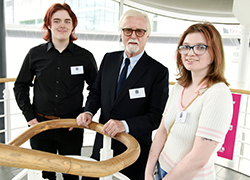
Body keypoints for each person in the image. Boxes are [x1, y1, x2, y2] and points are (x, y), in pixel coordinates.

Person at [77, 9, 169, 180]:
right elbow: (96, 91)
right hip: (102, 142)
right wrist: (88, 111)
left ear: (147, 36)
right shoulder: (108, 59)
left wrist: (124, 125)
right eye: (128, 30)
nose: (133, 35)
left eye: (139, 31)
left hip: (134, 150)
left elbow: (155, 117)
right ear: (121, 34)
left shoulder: (158, 72)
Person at [13, 3, 98, 180]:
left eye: (67, 21)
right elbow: (21, 86)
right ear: (48, 24)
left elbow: (96, 89)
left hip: (71, 128)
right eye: (57, 20)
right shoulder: (35, 54)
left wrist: (85, 113)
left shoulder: (85, 57)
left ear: (73, 25)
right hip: (41, 127)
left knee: (72, 174)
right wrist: (30, 118)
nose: (62, 25)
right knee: (44, 175)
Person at [145, 22, 233, 180]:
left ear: (215, 52)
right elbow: (162, 131)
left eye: (200, 47)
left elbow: (198, 160)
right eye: (185, 47)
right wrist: (148, 172)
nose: (190, 53)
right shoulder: (180, 86)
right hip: (161, 169)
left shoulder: (218, 94)